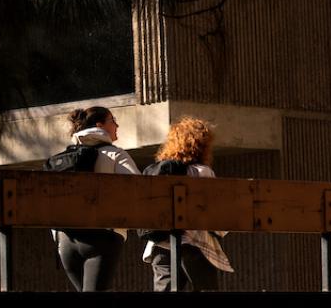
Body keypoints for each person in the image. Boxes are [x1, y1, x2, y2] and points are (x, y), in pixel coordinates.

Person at [53, 106, 140, 291]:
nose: (117, 124)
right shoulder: (115, 154)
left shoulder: (65, 157)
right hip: (102, 237)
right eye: (112, 120)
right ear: (100, 126)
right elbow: (140, 189)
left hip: (66, 241)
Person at [142, 117, 233, 291]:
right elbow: (214, 212)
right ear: (202, 145)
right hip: (194, 245)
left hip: (159, 245)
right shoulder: (202, 172)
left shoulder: (159, 172)